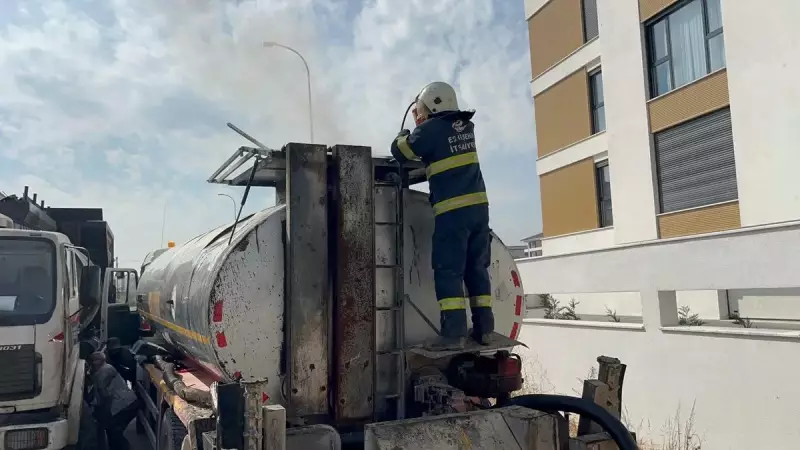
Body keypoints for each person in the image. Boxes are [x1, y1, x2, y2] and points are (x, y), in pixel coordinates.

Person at [390, 81, 495, 351]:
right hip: (479, 212)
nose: (418, 114)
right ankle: (484, 329)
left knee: (448, 270)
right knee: (476, 269)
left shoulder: (430, 129)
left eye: (420, 109)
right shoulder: (465, 127)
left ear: (434, 106)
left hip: (453, 213)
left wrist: (404, 132)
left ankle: (453, 334)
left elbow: (401, 152)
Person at [88, 351, 139, 450]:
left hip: (125, 405)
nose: (91, 364)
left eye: (92, 361)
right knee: (113, 431)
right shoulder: (102, 370)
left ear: (99, 361)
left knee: (114, 432)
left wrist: (103, 415)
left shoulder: (105, 370)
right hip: (125, 405)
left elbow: (105, 395)